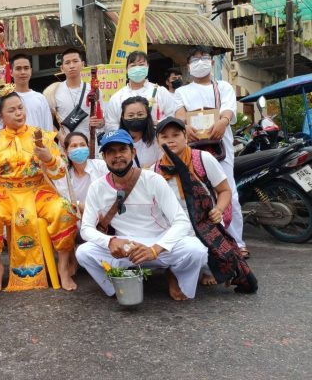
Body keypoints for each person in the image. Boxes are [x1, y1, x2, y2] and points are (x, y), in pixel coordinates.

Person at [75, 129, 207, 301]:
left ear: (133, 152)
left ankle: (176, 275)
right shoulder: (97, 187)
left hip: (159, 243)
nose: (117, 156)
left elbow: (181, 222)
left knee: (196, 250)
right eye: (111, 152)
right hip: (126, 248)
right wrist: (111, 241)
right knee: (84, 253)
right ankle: (118, 284)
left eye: (122, 150)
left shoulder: (153, 180)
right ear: (104, 157)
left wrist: (155, 249)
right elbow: (86, 229)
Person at [0, 91, 78, 292]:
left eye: (20, 108)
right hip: (5, 194)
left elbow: (60, 172)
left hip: (38, 191)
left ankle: (63, 265)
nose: (18, 113)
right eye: (12, 110)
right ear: (0, 117)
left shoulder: (42, 137)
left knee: (64, 209)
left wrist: (49, 158)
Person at [174, 46, 247, 258]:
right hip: (194, 148)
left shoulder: (223, 86)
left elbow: (228, 109)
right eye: (194, 60)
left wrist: (223, 122)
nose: (200, 62)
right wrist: (185, 126)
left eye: (204, 58)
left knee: (228, 192)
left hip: (220, 146)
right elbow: (179, 113)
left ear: (212, 62)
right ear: (188, 66)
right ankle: (206, 240)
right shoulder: (182, 91)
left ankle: (237, 242)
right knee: (199, 193)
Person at [153, 117, 232, 285]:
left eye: (176, 135)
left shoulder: (202, 159)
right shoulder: (155, 169)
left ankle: (207, 269)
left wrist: (218, 209)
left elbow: (224, 190)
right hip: (174, 224)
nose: (171, 140)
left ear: (185, 136)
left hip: (205, 220)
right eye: (165, 137)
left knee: (207, 257)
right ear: (157, 141)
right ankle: (178, 272)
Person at [104, 51, 176, 132]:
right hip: (128, 143)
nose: (137, 68)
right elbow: (110, 124)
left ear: (147, 67)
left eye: (141, 65)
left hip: (156, 142)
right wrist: (129, 130)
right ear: (127, 70)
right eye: (133, 65)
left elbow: (172, 116)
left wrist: (159, 124)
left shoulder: (160, 91)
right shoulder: (117, 97)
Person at [43, 48, 104, 140]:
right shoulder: (53, 91)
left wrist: (98, 123)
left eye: (75, 61)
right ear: (62, 68)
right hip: (66, 145)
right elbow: (48, 122)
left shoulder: (94, 90)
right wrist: (61, 138)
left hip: (90, 144)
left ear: (82, 64)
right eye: (67, 63)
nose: (72, 66)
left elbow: (102, 122)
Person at [0, 54, 54, 132]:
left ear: (31, 71)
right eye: (18, 69)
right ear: (11, 72)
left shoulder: (40, 98)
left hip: (37, 143)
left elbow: (48, 127)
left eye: (26, 68)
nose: (23, 72)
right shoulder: (5, 98)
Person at [54, 132, 108, 216]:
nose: (79, 148)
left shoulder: (101, 166)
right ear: (66, 151)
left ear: (88, 148)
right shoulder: (63, 175)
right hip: (76, 221)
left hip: (104, 217)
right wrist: (80, 205)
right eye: (74, 146)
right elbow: (64, 198)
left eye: (82, 145)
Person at [118, 96, 161, 168]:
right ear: (123, 117)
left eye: (140, 114)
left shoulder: (158, 138)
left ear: (148, 115)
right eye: (130, 115)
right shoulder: (116, 140)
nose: (135, 117)